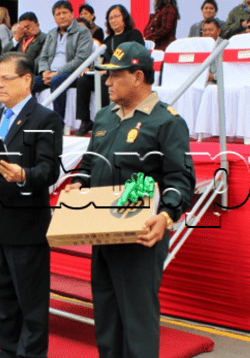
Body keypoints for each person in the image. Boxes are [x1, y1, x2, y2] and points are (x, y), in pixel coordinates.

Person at [65, 41, 195, 358]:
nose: (107, 82)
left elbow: (181, 179)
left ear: (137, 76)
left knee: (137, 322)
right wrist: (77, 185)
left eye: (114, 75)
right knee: (107, 317)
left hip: (141, 235)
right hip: (102, 230)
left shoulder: (167, 122)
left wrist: (165, 216)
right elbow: (89, 163)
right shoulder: (106, 117)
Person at [0, 52, 63, 358]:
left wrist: (23, 176)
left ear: (27, 79)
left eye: (6, 78)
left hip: (27, 228)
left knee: (31, 307)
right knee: (3, 304)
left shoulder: (45, 118)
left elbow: (49, 171)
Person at [74, 4, 144, 136]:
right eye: (110, 18)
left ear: (125, 18)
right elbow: (100, 60)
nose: (113, 20)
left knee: (103, 83)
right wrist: (91, 68)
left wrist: (110, 70)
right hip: (108, 73)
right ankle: (85, 121)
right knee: (83, 81)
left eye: (116, 16)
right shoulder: (107, 40)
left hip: (126, 72)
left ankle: (105, 121)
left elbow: (137, 55)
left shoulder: (133, 34)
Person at [35, 1, 93, 122]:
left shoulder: (83, 32)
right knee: (29, 83)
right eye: (58, 14)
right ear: (54, 18)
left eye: (65, 12)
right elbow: (43, 56)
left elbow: (81, 59)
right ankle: (31, 120)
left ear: (72, 14)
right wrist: (44, 72)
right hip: (50, 73)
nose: (61, 16)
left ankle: (58, 123)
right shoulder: (51, 33)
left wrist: (57, 73)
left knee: (57, 80)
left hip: (72, 74)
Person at [0, 12, 47, 113]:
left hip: (29, 73)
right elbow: (3, 56)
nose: (25, 31)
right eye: (21, 28)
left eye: (27, 27)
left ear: (37, 25)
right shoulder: (19, 40)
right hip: (11, 74)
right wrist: (15, 39)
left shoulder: (44, 39)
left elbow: (42, 59)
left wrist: (22, 70)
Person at [202, 18, 223, 83]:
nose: (207, 33)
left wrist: (213, 77)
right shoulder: (199, 46)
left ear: (218, 31)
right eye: (204, 30)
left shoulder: (225, 46)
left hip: (219, 85)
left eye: (210, 30)